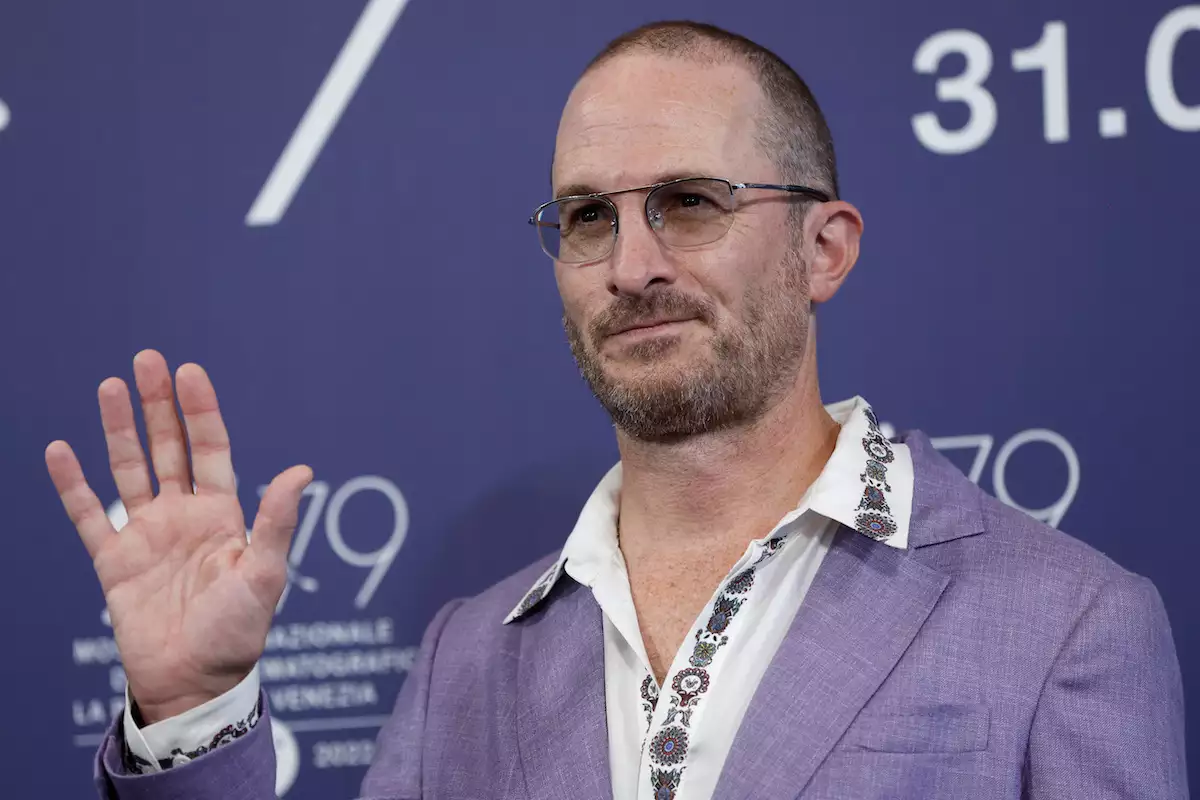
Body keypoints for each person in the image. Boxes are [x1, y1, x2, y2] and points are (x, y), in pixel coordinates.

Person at [47, 20, 1186, 800]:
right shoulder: (466, 660)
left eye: (689, 201)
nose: (630, 263)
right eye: (588, 217)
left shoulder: (1068, 622)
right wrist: (195, 706)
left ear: (823, 247)